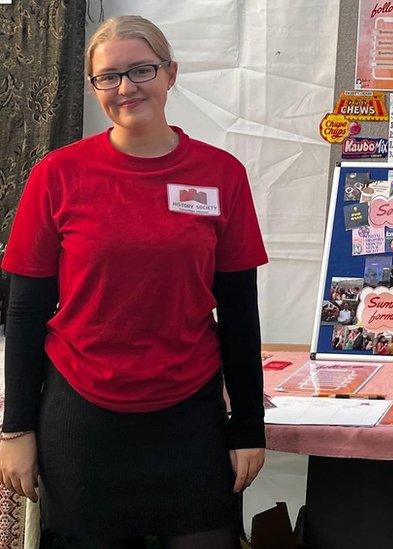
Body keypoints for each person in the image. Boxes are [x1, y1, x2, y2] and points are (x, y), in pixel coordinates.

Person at [0, 16, 267, 548]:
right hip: (82, 418)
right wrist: (16, 430)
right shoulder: (58, 175)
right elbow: (26, 312)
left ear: (170, 73)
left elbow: (238, 311)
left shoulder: (221, 174)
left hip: (189, 417)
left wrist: (248, 425)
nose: (126, 88)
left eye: (141, 70)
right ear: (95, 85)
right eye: (109, 76)